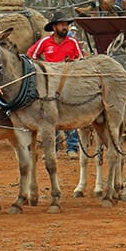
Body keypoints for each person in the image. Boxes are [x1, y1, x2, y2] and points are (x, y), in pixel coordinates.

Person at [27, 11, 85, 158]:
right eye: (62, 24)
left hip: (68, 82)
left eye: (66, 24)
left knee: (69, 112)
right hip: (49, 83)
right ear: (54, 27)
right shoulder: (45, 42)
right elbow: (31, 55)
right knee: (49, 115)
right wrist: (41, 66)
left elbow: (81, 59)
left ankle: (72, 148)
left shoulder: (72, 42)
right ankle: (52, 148)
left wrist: (73, 65)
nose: (65, 27)